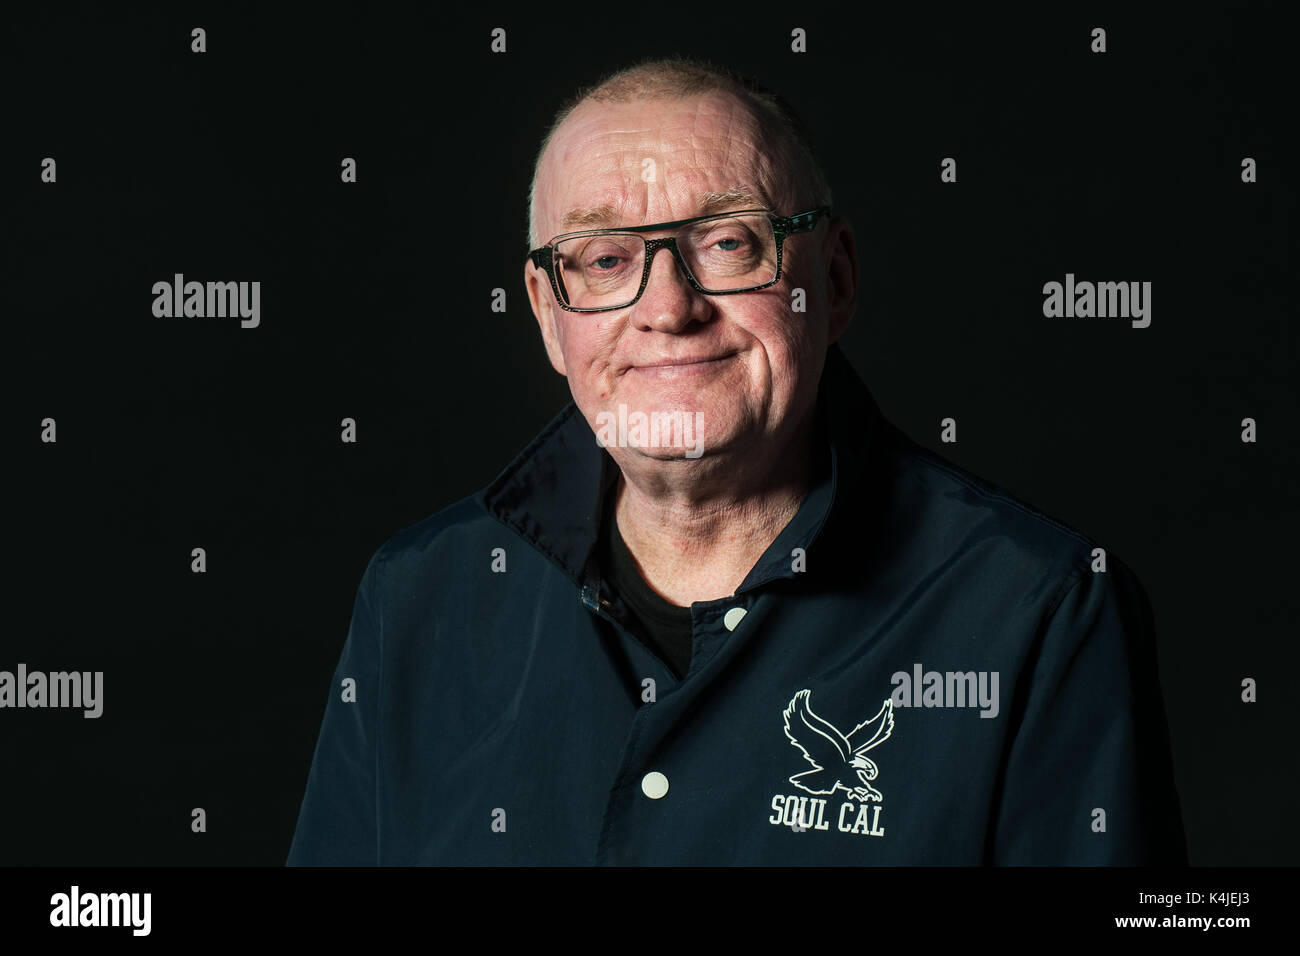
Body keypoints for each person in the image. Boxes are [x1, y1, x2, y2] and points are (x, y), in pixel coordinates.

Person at [286, 56, 1187, 865]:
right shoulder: (417, 598)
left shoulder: (1042, 613)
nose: (668, 308)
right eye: (604, 259)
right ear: (547, 311)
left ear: (831, 281)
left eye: (727, 243)